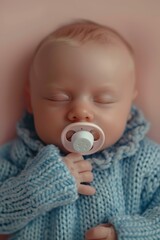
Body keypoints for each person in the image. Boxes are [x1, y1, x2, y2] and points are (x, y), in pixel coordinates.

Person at [0, 20, 160, 240]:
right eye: (59, 98)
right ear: (31, 101)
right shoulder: (14, 157)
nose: (81, 112)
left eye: (104, 100)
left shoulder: (148, 162)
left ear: (129, 107)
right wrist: (41, 184)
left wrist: (125, 234)